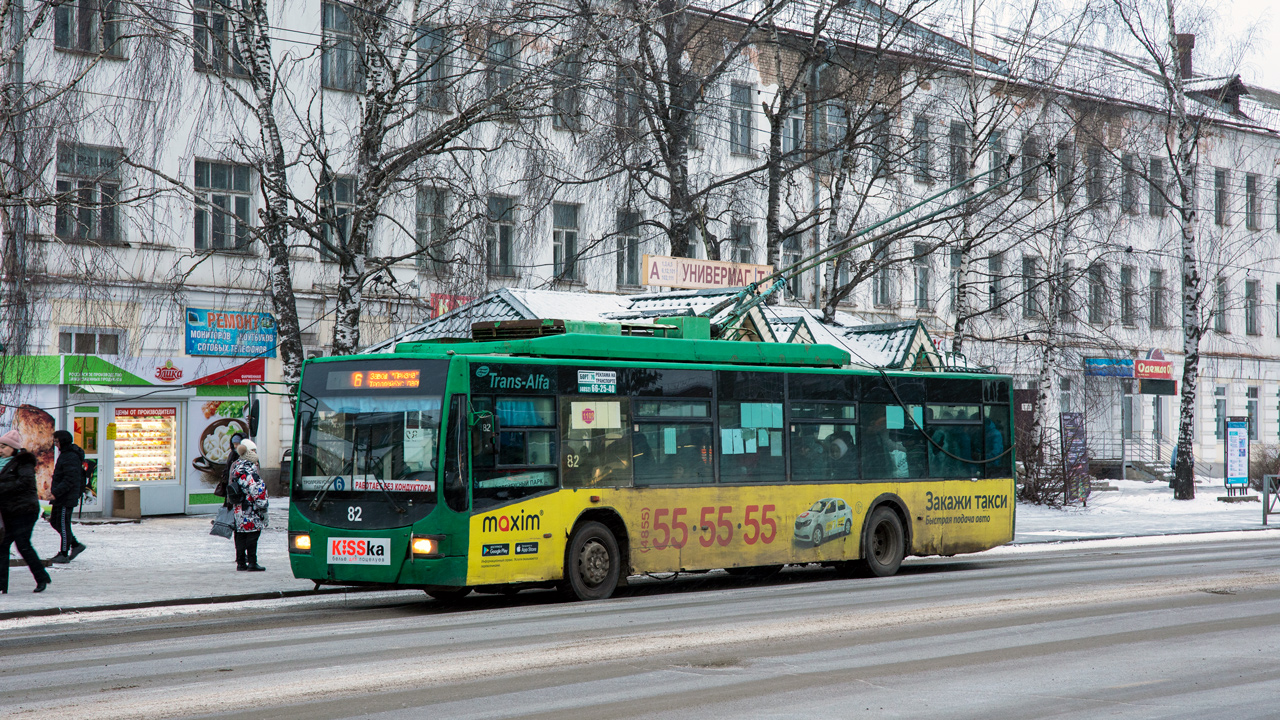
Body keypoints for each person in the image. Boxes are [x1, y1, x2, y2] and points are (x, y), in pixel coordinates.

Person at [0, 430, 51, 593]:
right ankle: (2, 585)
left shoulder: (23, 463)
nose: (0, 450)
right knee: (2, 545)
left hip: (25, 510)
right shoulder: (3, 463)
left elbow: (24, 483)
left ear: (13, 448)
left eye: (4, 447)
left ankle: (41, 577)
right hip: (8, 511)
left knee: (23, 545)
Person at [229, 439, 268, 571]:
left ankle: (240, 563)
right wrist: (264, 507)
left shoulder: (237, 470)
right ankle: (252, 562)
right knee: (253, 535)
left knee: (240, 535)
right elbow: (258, 493)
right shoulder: (251, 473)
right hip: (251, 510)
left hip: (239, 509)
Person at [49, 429, 88, 563]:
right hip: (61, 496)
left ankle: (64, 554)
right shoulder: (65, 454)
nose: (55, 444)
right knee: (55, 521)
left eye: (56, 441)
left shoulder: (70, 456)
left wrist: (56, 492)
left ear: (62, 441)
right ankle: (76, 545)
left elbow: (70, 479)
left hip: (66, 497)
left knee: (63, 524)